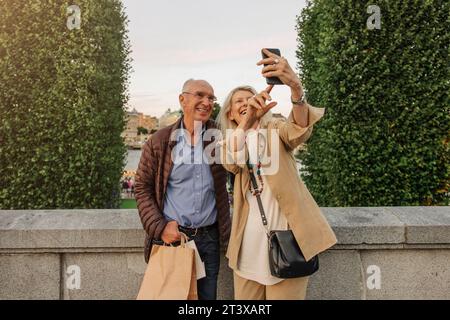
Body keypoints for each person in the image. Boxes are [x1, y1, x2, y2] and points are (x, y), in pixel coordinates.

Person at [217, 49, 337, 300]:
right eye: (239, 101)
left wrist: (295, 89)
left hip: (288, 242)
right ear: (230, 113)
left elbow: (299, 130)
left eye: (251, 98)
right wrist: (246, 122)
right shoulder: (230, 141)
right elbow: (230, 162)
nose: (247, 103)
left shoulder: (275, 128)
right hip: (247, 248)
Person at [134, 79, 231, 300]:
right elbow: (142, 188)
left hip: (209, 239)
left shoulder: (221, 136)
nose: (207, 102)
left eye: (211, 98)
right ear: (182, 99)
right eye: (200, 95)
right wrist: (159, 228)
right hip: (174, 238)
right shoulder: (159, 141)